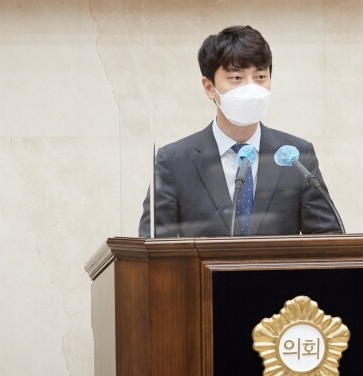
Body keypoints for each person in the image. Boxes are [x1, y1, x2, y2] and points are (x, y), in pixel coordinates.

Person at [138, 25, 341, 237]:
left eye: (260, 77)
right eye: (237, 78)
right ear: (209, 87)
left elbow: (326, 238)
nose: (251, 88)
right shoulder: (174, 161)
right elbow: (154, 245)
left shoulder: (296, 157)